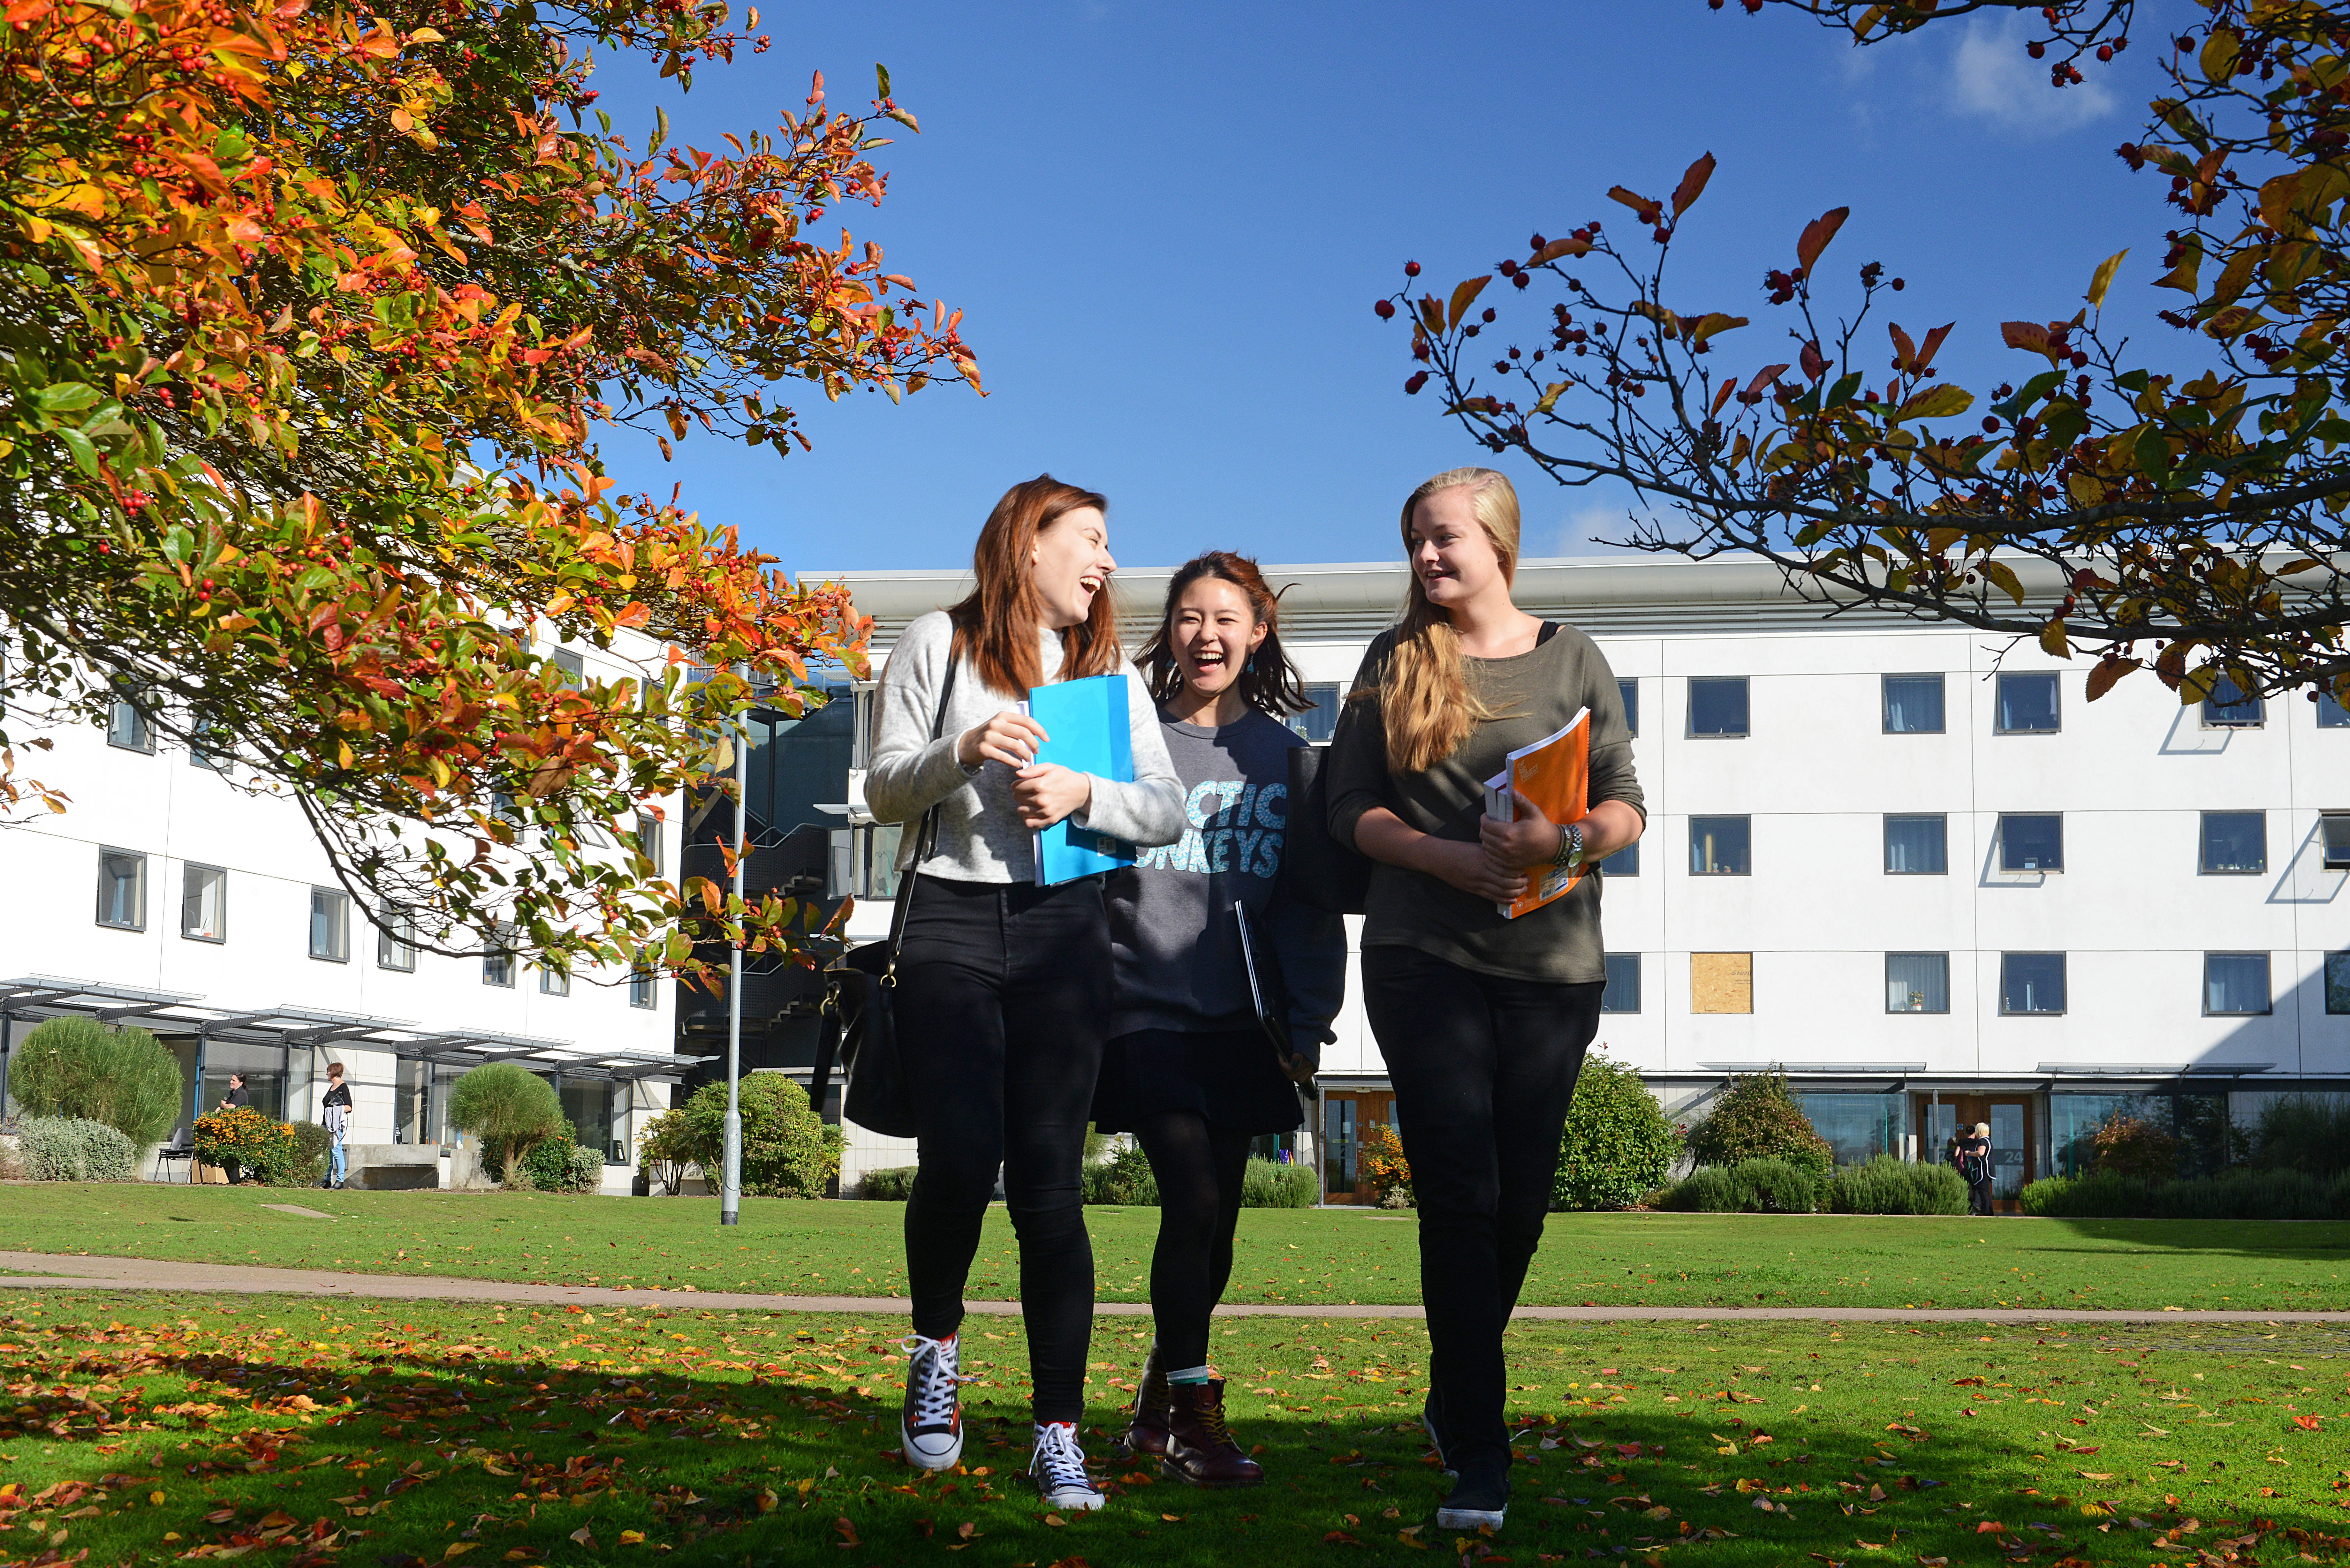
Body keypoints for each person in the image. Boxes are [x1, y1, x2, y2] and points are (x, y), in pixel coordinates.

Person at [1325, 466, 1645, 1533]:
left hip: (1553, 966)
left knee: (1519, 1200)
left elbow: (1627, 806)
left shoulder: (1575, 658)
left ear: (1500, 541)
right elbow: (1351, 808)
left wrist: (1566, 838)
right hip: (1424, 953)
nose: (1426, 557)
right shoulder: (1393, 658)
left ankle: (1452, 1389)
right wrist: (1444, 858)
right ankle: (1480, 1452)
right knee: (1459, 1191)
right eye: (1415, 539)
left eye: (1444, 538)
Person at [865, 474, 1185, 1511]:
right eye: (1090, 539)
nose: (1107, 562)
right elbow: (879, 790)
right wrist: (962, 752)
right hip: (950, 919)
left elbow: (1169, 811)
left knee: (1051, 1189)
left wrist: (1087, 792)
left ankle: (1058, 1431)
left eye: (1108, 544)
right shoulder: (935, 642)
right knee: (960, 1162)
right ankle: (936, 1350)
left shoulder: (1108, 676)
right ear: (1027, 543)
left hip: (1065, 931)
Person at [1096, 552, 1347, 1487]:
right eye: (1188, 616)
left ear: (1258, 630)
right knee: (1191, 1198)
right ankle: (1198, 1421)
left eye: (1225, 617)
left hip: (1244, 1016)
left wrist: (1308, 1019)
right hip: (1141, 1004)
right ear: (1168, 631)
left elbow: (1305, 904)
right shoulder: (1130, 744)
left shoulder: (1289, 758)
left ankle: (1154, 1408)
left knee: (1221, 1227)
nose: (1206, 634)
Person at [215, 1073, 253, 1184]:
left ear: (241, 1083)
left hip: (237, 1131)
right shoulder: (234, 1094)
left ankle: (235, 1181)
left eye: (234, 1081)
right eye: (231, 1080)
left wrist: (223, 1104)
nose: (231, 1082)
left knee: (232, 1157)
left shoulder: (241, 1093)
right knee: (226, 1157)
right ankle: (233, 1181)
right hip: (230, 1130)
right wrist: (221, 1108)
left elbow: (231, 1108)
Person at [321, 1062, 353, 1190]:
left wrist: (336, 1110)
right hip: (327, 1124)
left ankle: (340, 1180)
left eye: (328, 1071)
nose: (327, 1073)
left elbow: (349, 1107)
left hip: (336, 1126)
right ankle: (326, 1179)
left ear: (334, 1072)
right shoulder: (332, 1087)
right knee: (328, 1152)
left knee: (336, 1150)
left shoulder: (343, 1087)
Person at [1953, 1122, 1994, 1216]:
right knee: (1980, 1189)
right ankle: (1983, 1209)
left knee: (1978, 1189)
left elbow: (1980, 1153)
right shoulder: (1985, 1141)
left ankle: (1976, 1209)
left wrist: (1969, 1154)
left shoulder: (1981, 1141)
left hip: (1977, 1169)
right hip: (1980, 1169)